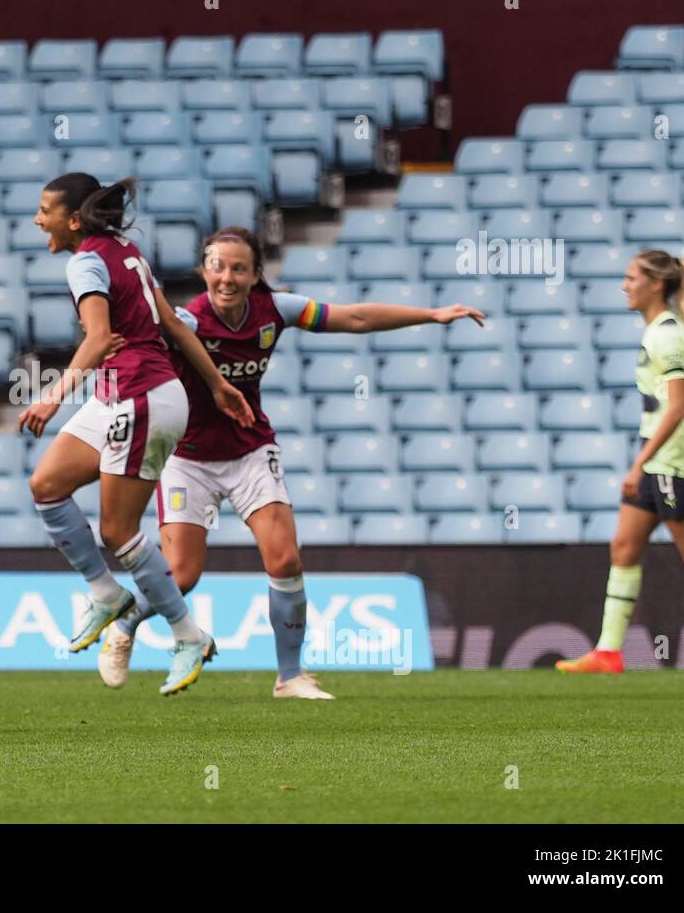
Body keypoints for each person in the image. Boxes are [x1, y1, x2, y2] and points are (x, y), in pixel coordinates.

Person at [96, 227, 484, 698]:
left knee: (285, 559)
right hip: (188, 458)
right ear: (204, 270)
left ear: (256, 273)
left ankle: (290, 676)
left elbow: (356, 317)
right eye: (217, 266)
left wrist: (432, 314)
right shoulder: (188, 323)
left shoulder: (276, 310)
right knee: (183, 575)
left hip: (251, 450)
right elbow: (136, 341)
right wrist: (106, 344)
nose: (227, 277)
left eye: (239, 268)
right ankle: (126, 624)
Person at [19, 174, 254, 696]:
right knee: (47, 486)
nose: (39, 220)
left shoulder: (85, 261)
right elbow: (172, 322)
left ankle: (188, 635)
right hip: (123, 393)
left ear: (74, 219)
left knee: (118, 532)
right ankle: (106, 593)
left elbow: (101, 337)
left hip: (140, 396)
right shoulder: (125, 250)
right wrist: (215, 384)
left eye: (45, 210)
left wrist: (51, 395)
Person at [558, 249, 684, 674]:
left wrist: (638, 464)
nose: (625, 286)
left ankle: (608, 651)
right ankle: (608, 653)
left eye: (631, 278)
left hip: (670, 463)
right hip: (659, 461)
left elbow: (677, 408)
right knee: (624, 547)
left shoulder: (666, 336)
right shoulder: (658, 332)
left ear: (656, 284)